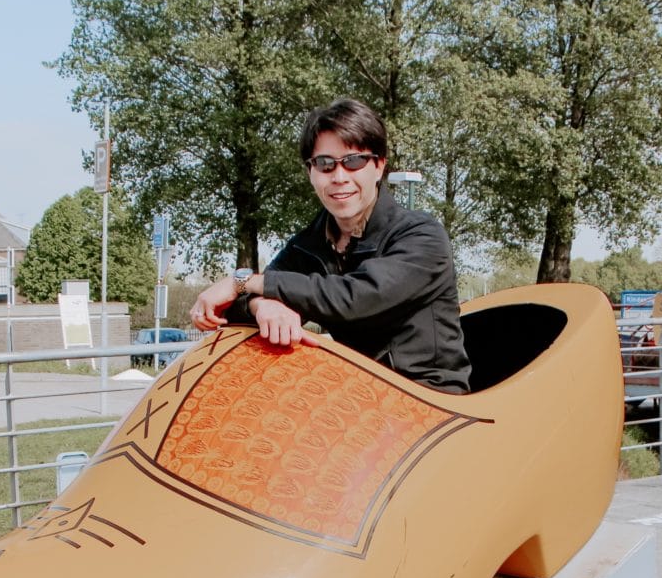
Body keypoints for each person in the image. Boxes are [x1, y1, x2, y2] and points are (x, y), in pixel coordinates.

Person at [190, 98, 471, 393]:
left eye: (354, 162)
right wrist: (263, 304)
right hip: (353, 399)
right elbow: (249, 301)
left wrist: (243, 282)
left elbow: (357, 297)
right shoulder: (309, 245)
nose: (339, 177)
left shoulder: (422, 236)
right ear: (310, 172)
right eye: (325, 164)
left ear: (379, 166)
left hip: (430, 399)